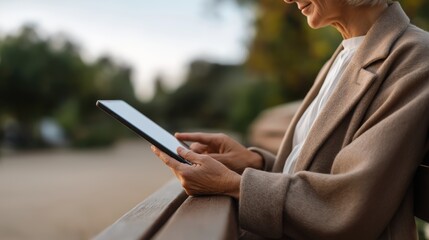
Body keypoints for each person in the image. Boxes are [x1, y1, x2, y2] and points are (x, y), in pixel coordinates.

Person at [151, 0, 429, 239]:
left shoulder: (415, 57)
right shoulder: (345, 55)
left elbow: (352, 200)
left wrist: (233, 184)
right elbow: (318, 166)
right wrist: (256, 163)